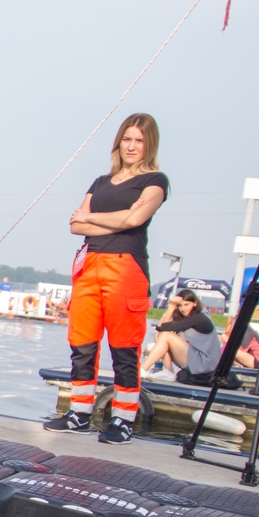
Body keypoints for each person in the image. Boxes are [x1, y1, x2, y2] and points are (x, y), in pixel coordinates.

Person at [45, 114, 168, 445]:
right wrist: (105, 221)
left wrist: (92, 217)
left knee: (124, 345)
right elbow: (76, 226)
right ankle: (79, 413)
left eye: (139, 140)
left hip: (126, 268)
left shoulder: (155, 182)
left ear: (149, 145)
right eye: (126, 139)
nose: (131, 146)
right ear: (118, 142)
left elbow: (134, 218)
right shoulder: (100, 183)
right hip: (89, 266)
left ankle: (123, 419)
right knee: (81, 343)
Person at [142, 289, 228, 386]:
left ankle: (143, 369)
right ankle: (169, 372)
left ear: (195, 304)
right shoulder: (186, 317)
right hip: (196, 360)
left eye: (186, 305)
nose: (183, 309)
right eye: (180, 306)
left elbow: (164, 328)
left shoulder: (200, 318)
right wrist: (170, 309)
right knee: (160, 337)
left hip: (205, 363)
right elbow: (159, 329)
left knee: (166, 335)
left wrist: (171, 307)